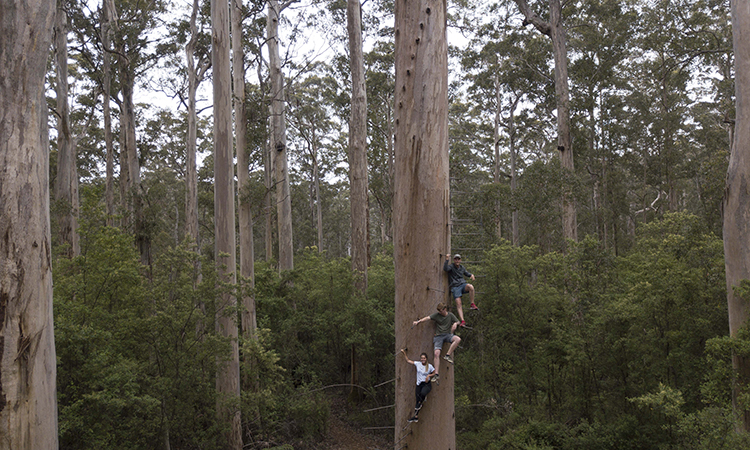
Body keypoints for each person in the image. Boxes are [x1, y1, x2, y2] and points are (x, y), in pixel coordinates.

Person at [412, 302, 462, 386]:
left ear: (445, 309)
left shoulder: (450, 315)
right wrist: (418, 321)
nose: (440, 312)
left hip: (448, 335)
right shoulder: (437, 315)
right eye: (438, 311)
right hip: (438, 336)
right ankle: (436, 374)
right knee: (436, 353)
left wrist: (455, 324)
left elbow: (458, 321)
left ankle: (448, 355)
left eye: (441, 311)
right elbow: (428, 318)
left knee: (458, 339)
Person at [400, 349, 435, 423]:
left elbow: (434, 372)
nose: (423, 359)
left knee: (422, 394)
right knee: (417, 400)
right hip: (419, 384)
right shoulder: (418, 364)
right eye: (422, 358)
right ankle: (415, 417)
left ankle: (422, 400)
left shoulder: (429, 366)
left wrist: (429, 375)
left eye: (424, 358)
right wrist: (404, 353)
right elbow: (408, 361)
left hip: (426, 384)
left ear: (426, 359)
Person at [443, 252, 477, 327]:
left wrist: (471, 275)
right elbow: (445, 269)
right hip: (455, 287)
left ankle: (472, 304)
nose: (457, 260)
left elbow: (466, 273)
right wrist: (447, 260)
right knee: (458, 303)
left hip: (462, 285)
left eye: (458, 259)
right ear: (454, 260)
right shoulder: (451, 267)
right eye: (455, 259)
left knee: (471, 287)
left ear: (460, 260)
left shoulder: (462, 268)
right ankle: (462, 320)